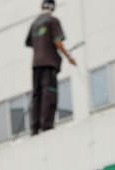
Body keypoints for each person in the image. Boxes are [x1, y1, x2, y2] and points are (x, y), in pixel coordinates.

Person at [25, 0, 76, 136]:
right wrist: (68, 57)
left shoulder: (34, 23)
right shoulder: (53, 21)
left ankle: (34, 127)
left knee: (37, 95)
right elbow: (57, 41)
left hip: (36, 65)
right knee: (49, 93)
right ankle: (47, 125)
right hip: (48, 64)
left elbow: (30, 42)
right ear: (53, 7)